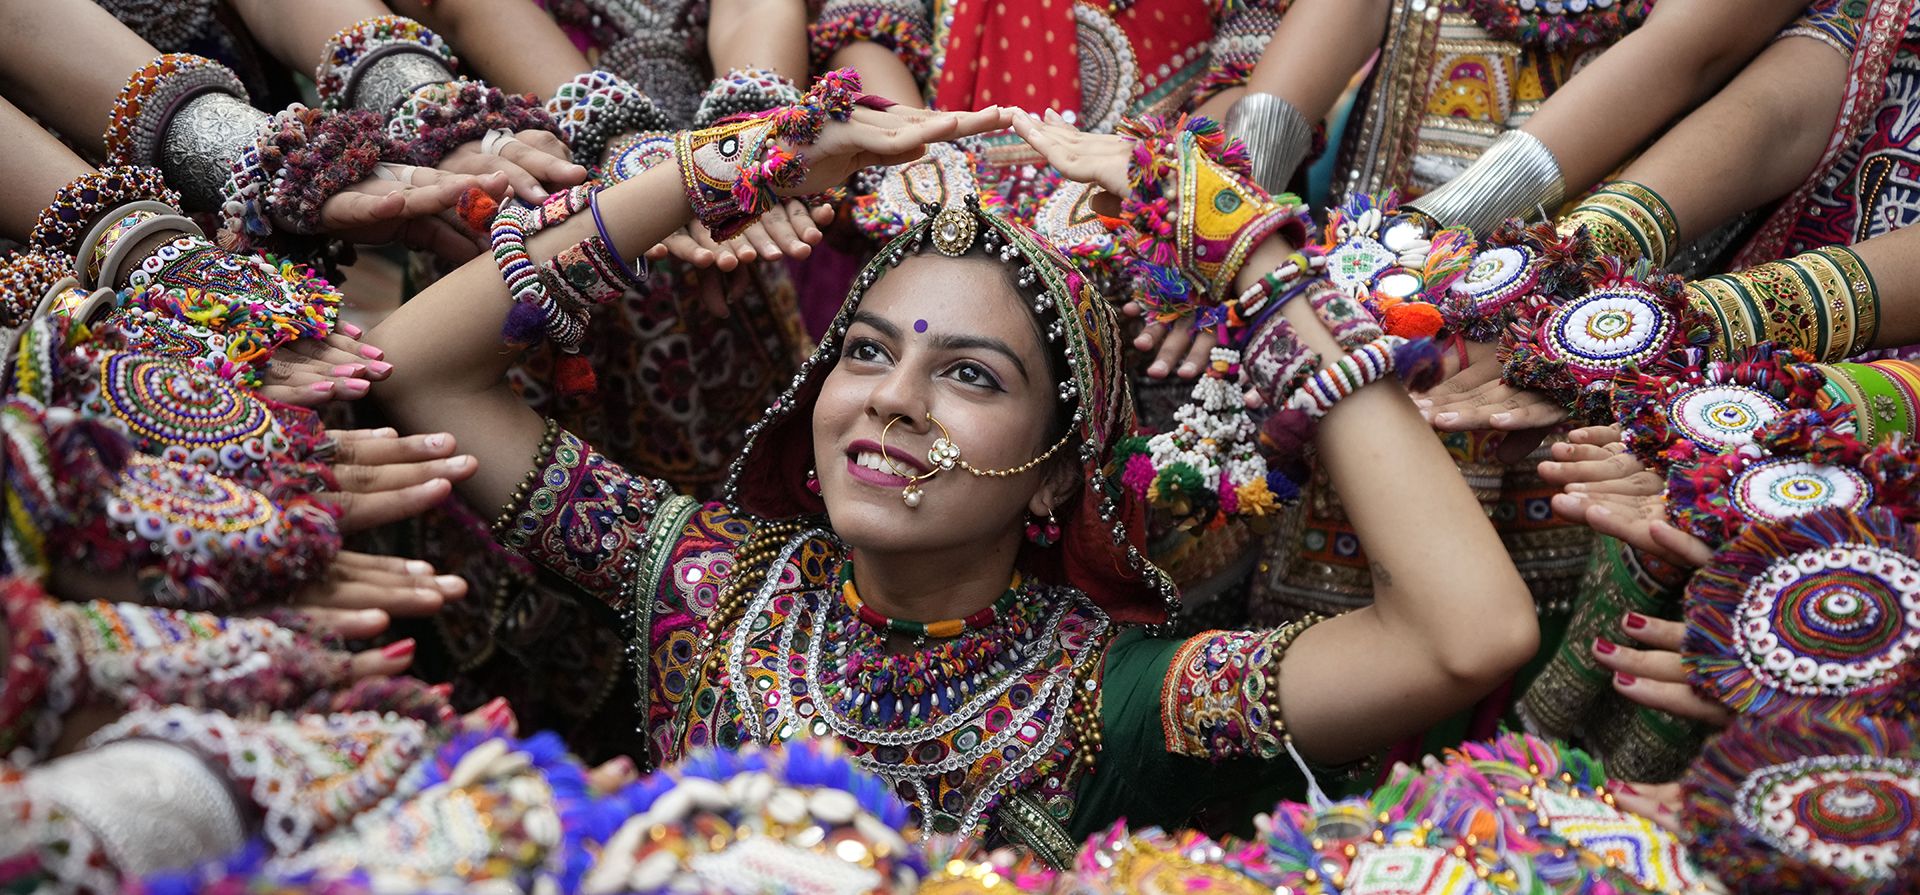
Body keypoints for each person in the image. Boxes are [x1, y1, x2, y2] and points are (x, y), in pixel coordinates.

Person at [365, 78, 1537, 857]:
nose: (891, 396)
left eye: (970, 376)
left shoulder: (1115, 698)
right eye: (865, 352)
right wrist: (748, 160)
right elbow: (417, 372)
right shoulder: (710, 583)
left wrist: (1251, 253)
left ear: (1054, 476)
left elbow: (1464, 636)